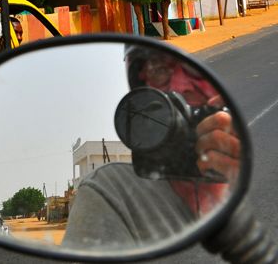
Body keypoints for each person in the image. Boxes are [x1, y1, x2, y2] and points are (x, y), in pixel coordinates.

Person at [62, 45, 241, 249]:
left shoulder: (238, 161)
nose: (180, 86)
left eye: (192, 70)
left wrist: (231, 177)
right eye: (159, 70)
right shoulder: (111, 189)